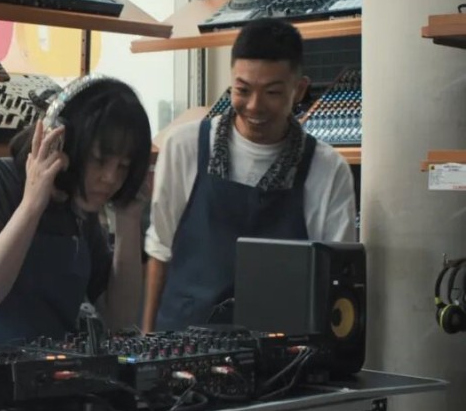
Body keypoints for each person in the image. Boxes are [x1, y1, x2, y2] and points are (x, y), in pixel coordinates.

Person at [142, 18, 357, 332]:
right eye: (242, 90)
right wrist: (146, 341)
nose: (255, 106)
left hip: (279, 350)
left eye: (272, 92)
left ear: (299, 90)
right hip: (182, 343)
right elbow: (160, 251)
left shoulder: (327, 169)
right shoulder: (184, 146)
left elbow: (332, 279)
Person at [0, 74, 153, 347]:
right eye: (100, 160)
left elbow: (120, 319)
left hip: (55, 369)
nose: (111, 178)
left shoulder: (80, 208)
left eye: (123, 167)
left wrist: (128, 220)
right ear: (60, 142)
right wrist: (32, 203)